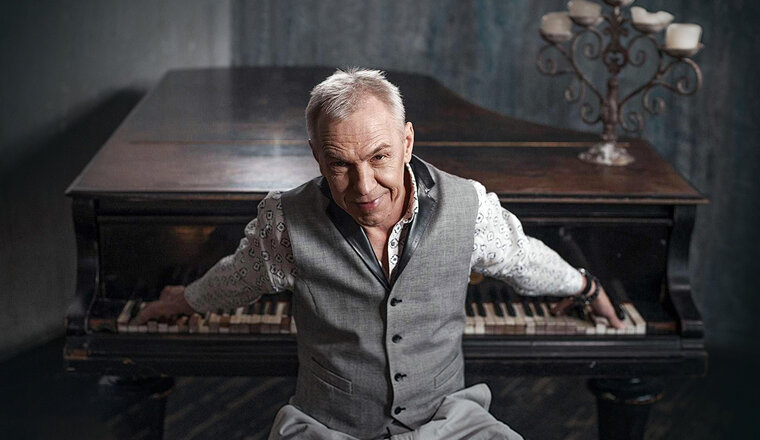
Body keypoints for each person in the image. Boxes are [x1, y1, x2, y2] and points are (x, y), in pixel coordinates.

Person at [136, 68, 624, 440]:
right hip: (329, 428)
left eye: (379, 157)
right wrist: (186, 300)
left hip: (446, 424)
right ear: (316, 156)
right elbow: (238, 279)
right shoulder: (284, 222)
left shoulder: (469, 208)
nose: (364, 186)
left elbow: (523, 261)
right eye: (340, 165)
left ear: (407, 142)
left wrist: (586, 286)